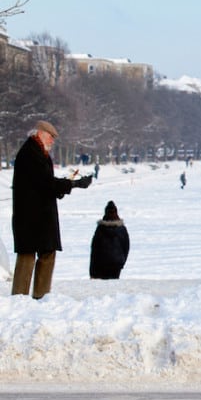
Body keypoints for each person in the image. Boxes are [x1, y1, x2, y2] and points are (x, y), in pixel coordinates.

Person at [11, 120, 93, 299]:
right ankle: (20, 299)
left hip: (39, 216)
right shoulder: (30, 153)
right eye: (50, 137)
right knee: (27, 256)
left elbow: (46, 183)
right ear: (39, 133)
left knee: (46, 253)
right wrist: (73, 184)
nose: (52, 141)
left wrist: (68, 184)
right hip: (30, 217)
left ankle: (40, 296)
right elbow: (46, 183)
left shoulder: (39, 153)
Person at [89, 201, 130, 279]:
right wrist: (122, 261)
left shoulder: (100, 229)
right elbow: (126, 247)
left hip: (101, 264)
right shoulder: (121, 229)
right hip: (116, 264)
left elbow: (94, 250)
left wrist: (92, 271)